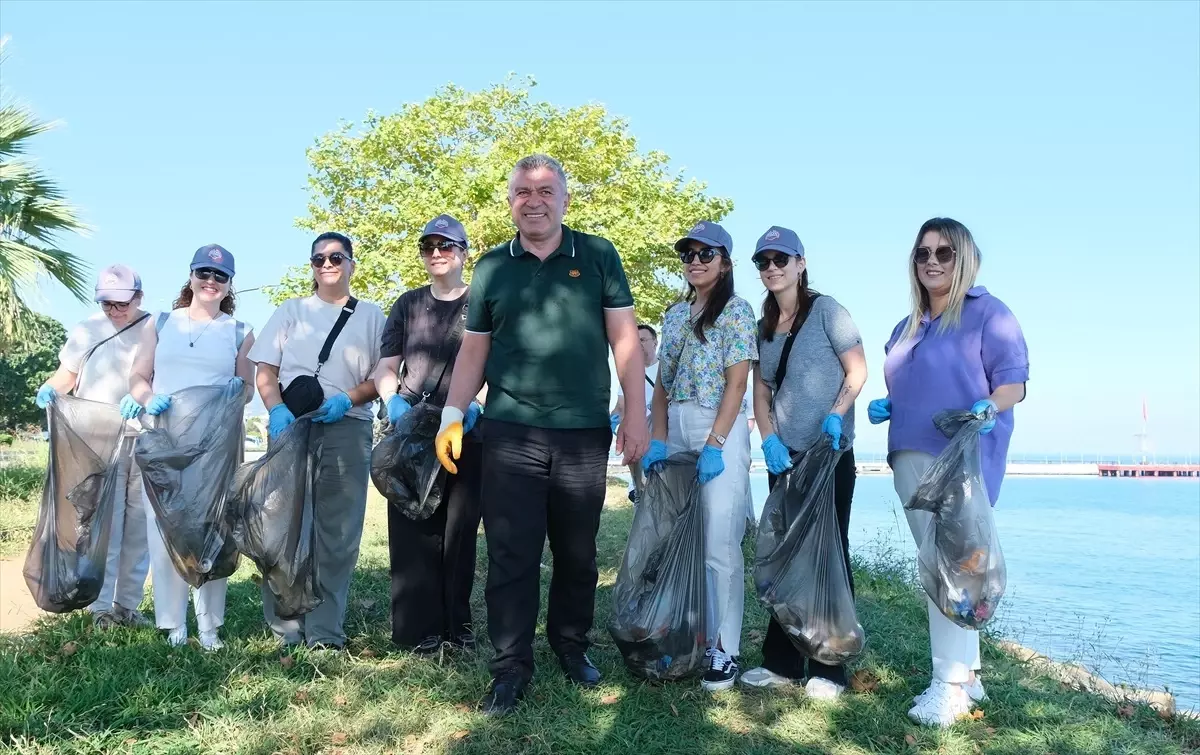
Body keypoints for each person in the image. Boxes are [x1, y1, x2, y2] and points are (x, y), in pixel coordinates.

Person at [434, 154, 648, 716]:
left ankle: (571, 646)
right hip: (509, 429)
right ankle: (510, 666)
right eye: (523, 192)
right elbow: (474, 348)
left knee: (577, 552)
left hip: (582, 432)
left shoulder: (598, 255)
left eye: (546, 190)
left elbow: (625, 340)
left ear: (564, 199)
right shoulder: (490, 269)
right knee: (511, 552)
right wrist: (452, 414)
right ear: (511, 202)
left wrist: (636, 412)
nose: (535, 200)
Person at [867, 217, 1028, 727]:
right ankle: (970, 676)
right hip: (907, 456)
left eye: (944, 252)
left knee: (951, 569)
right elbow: (912, 383)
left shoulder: (988, 313)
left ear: (964, 259)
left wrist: (988, 407)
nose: (932, 261)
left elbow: (1013, 385)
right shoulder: (906, 326)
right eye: (922, 253)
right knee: (942, 562)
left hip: (959, 459)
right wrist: (890, 404)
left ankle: (949, 686)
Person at [738, 226, 868, 699]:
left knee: (829, 553)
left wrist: (836, 415)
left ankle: (830, 666)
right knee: (783, 555)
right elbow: (762, 390)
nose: (772, 268)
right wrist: (769, 439)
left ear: (801, 263)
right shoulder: (764, 326)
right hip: (785, 458)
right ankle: (783, 662)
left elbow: (858, 370)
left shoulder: (829, 311)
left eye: (780, 259)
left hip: (830, 455)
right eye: (763, 262)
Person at [249, 231, 385, 650]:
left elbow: (383, 375)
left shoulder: (372, 316)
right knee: (284, 527)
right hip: (293, 428)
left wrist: (349, 399)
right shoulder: (291, 311)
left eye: (337, 256)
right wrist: (276, 410)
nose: (328, 264)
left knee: (337, 533)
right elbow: (265, 371)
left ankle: (325, 632)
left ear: (351, 264)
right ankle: (286, 628)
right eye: (319, 258)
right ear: (311, 266)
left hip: (348, 429)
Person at [640, 220, 756, 692]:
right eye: (688, 254)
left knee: (719, 542)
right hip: (679, 426)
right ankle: (690, 630)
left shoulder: (737, 311)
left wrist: (714, 445)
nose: (695, 261)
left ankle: (723, 648)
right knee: (677, 537)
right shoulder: (673, 315)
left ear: (724, 261)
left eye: (705, 253)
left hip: (718, 427)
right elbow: (663, 384)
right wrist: (658, 440)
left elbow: (738, 382)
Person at [128, 245, 256, 649]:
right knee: (163, 526)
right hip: (164, 442)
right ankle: (172, 623)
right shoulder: (161, 323)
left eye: (220, 276)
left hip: (215, 448)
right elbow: (138, 375)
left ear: (230, 283)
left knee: (212, 530)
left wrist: (240, 390)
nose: (211, 282)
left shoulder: (240, 331)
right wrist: (148, 399)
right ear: (191, 276)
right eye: (204, 273)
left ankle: (209, 625)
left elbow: (249, 388)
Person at [374, 214, 484, 653]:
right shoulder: (408, 304)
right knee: (412, 528)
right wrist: (391, 400)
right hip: (412, 432)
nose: (437, 254)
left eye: (446, 246)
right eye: (429, 247)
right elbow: (386, 365)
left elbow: (492, 364)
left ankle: (457, 627)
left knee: (458, 530)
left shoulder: (481, 302)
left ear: (463, 252)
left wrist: (475, 404)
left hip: (464, 429)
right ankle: (418, 629)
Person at [34, 264, 153, 628]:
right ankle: (99, 607)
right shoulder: (88, 329)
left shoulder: (156, 327)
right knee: (104, 528)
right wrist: (51, 389)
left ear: (138, 298)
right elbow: (66, 375)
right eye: (108, 304)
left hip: (143, 437)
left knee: (140, 529)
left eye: (122, 304)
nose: (115, 312)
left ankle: (128, 606)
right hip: (96, 441)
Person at [609, 324, 658, 504]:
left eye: (643, 340)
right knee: (642, 492)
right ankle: (638, 493)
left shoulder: (666, 369)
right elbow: (620, 407)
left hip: (661, 436)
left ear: (655, 342)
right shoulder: (629, 373)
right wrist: (613, 420)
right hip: (638, 439)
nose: (639, 344)